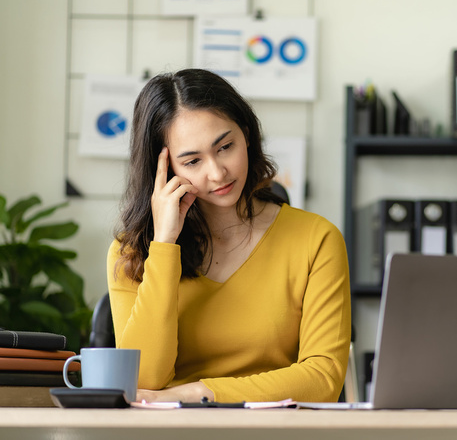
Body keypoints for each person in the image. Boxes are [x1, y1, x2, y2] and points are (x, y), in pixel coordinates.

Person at [107, 68, 352, 403]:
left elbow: (323, 380)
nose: (217, 172)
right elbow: (145, 378)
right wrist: (164, 245)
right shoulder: (132, 252)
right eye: (192, 161)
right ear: (164, 171)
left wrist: (199, 393)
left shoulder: (316, 239)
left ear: (247, 134)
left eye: (225, 147)